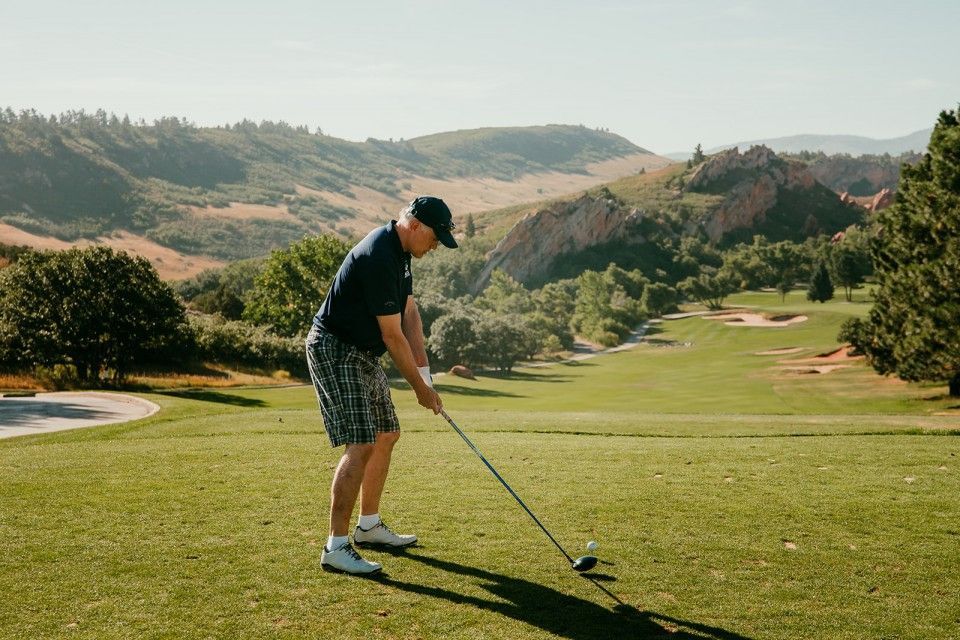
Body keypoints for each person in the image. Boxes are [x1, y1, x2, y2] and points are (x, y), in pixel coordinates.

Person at [305, 196, 458, 575]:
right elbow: (392, 337)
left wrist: (425, 377)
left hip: (361, 352)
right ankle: (336, 547)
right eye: (436, 237)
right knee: (362, 441)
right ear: (416, 225)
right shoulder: (378, 254)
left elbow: (409, 314)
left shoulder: (402, 254)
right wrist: (420, 392)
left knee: (387, 433)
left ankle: (368, 526)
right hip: (335, 348)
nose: (436, 245)